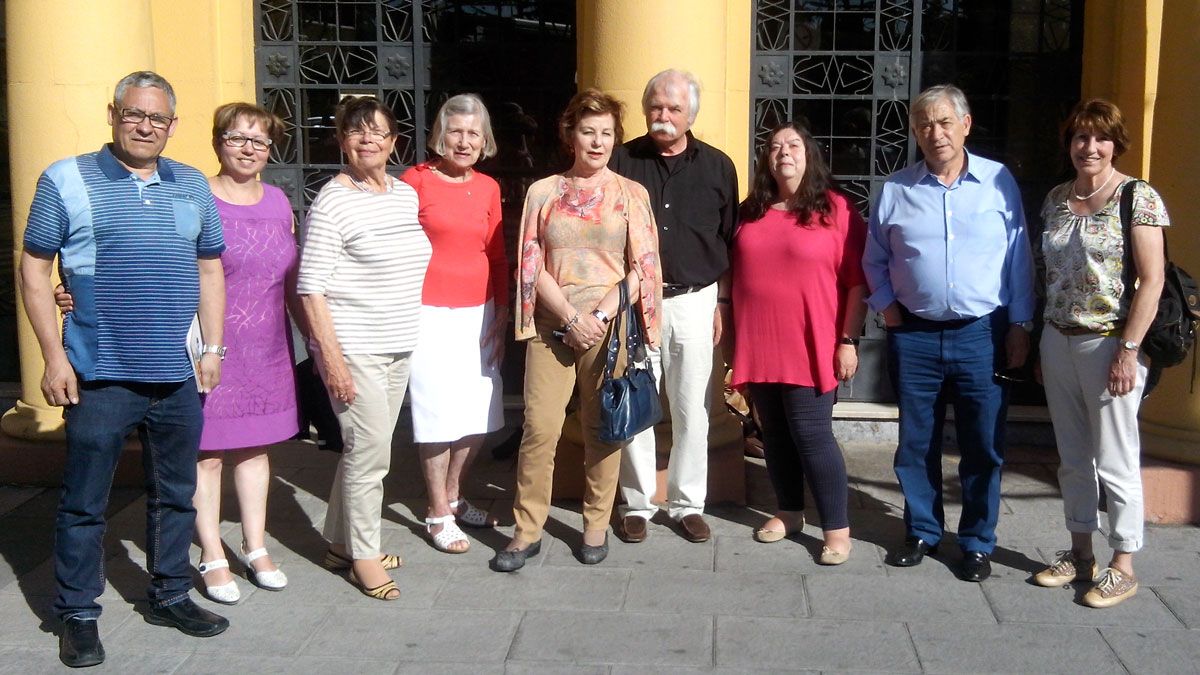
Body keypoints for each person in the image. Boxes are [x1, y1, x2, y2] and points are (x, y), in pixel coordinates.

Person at [21, 70, 229, 668]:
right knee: (86, 500)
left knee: (177, 494)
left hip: (176, 372)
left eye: (158, 118)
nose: (145, 126)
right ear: (112, 114)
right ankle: (78, 612)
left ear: (172, 125)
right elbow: (36, 269)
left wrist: (212, 351)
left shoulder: (191, 185)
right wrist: (53, 357)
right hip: (100, 370)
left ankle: (169, 593)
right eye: (135, 114)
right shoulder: (66, 179)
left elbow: (210, 269)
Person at [53, 103, 302, 603]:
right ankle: (210, 553)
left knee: (255, 451)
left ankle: (255, 547)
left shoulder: (278, 201)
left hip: (267, 346)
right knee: (206, 456)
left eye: (259, 141)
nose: (248, 149)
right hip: (207, 344)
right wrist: (79, 289)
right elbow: (147, 256)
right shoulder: (191, 193)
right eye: (236, 138)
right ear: (216, 142)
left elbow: (292, 277)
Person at [863, 84, 1035, 582]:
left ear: (965, 124)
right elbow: (874, 259)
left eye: (943, 122)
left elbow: (1019, 257)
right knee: (916, 443)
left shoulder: (999, 182)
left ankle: (978, 541)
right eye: (923, 125)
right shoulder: (897, 189)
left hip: (981, 335)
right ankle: (922, 530)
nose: (933, 133)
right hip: (913, 335)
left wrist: (1020, 325)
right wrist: (888, 310)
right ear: (915, 133)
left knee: (983, 445)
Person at [491, 88, 662, 572]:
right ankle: (526, 530)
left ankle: (595, 524)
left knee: (603, 429)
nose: (597, 141)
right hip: (554, 326)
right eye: (588, 131)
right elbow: (530, 262)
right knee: (539, 429)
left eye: (606, 133)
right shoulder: (543, 192)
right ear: (570, 134)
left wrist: (600, 316)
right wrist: (569, 316)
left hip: (608, 327)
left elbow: (643, 267)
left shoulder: (632, 195)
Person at [1031, 99, 1168, 607]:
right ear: (1069, 144)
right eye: (1080, 138)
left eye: (1100, 138)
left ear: (1115, 143)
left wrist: (1129, 351)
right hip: (1058, 337)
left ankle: (1123, 562)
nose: (1090, 147)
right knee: (1072, 457)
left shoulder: (1137, 196)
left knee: (1115, 459)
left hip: (1110, 341)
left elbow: (1151, 281)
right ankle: (1079, 551)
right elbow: (1047, 276)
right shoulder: (1054, 199)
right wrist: (1043, 345)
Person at [297, 96, 431, 600]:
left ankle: (340, 543)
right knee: (370, 455)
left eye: (377, 131)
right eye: (356, 132)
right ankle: (364, 557)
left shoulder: (402, 194)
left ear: (394, 142)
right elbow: (311, 287)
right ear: (342, 142)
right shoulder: (332, 201)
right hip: (355, 348)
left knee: (366, 450)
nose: (367, 138)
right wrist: (330, 361)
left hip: (398, 344)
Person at [610, 69, 739, 544]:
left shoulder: (719, 167)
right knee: (638, 403)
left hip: (694, 302)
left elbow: (727, 238)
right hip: (635, 302)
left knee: (693, 408)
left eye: (674, 108)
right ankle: (638, 504)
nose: (663, 116)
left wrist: (720, 300)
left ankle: (687, 503)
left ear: (691, 115)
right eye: (656, 107)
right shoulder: (622, 161)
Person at [731, 121, 868, 564]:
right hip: (761, 339)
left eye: (792, 145)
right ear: (766, 160)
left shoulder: (836, 209)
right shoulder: (750, 211)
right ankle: (788, 511)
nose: (783, 152)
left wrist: (848, 339)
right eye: (774, 147)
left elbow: (855, 283)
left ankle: (837, 528)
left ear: (808, 154)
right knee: (774, 434)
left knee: (812, 434)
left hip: (812, 342)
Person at [400, 94, 508, 554]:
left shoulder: (487, 187)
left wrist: (502, 311)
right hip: (427, 313)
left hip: (479, 311)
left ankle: (454, 495)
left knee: (478, 410)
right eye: (456, 132)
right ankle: (437, 510)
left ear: (485, 141)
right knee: (435, 412)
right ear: (439, 136)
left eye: (474, 133)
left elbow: (498, 254)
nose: (464, 141)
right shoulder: (415, 181)